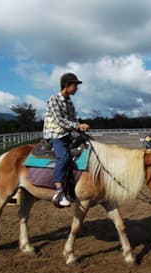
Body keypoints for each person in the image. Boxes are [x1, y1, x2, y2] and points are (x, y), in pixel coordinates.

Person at [43, 72, 90, 208]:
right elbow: (60, 120)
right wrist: (77, 125)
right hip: (55, 134)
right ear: (67, 85)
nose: (76, 88)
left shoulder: (70, 103)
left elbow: (74, 120)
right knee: (63, 157)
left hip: (66, 134)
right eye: (75, 85)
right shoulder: (53, 100)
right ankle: (59, 191)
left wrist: (81, 127)